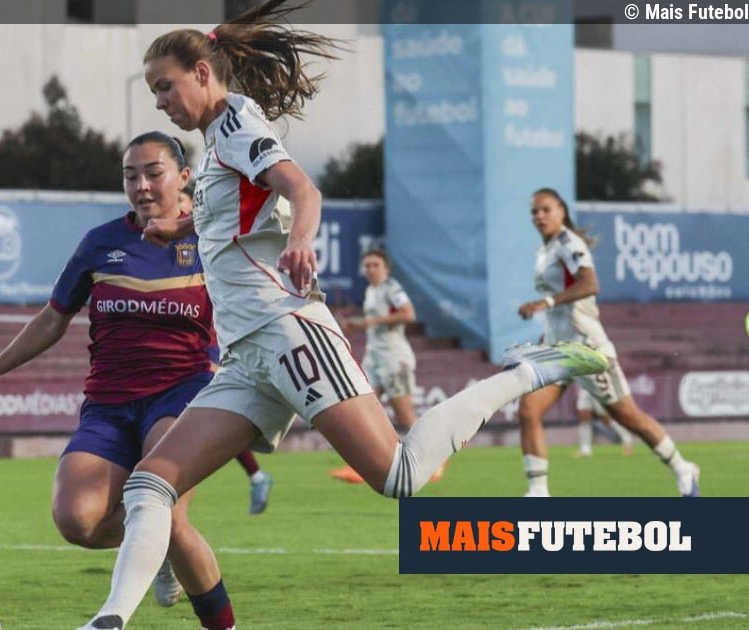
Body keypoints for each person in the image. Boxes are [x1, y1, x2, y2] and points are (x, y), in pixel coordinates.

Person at [77, 4, 608, 628]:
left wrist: (302, 241)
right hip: (247, 356)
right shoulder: (218, 138)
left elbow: (303, 189)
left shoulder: (238, 123)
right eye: (153, 92)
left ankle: (527, 373)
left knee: (400, 475)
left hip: (287, 332)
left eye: (165, 86)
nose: (160, 101)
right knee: (150, 484)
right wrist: (182, 227)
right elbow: (237, 215)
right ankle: (110, 619)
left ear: (200, 72)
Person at [0, 131, 239, 628]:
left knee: (167, 514)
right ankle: (154, 549)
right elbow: (53, 318)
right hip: (109, 404)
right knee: (76, 520)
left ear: (183, 177)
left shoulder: (210, 241)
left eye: (153, 173)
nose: (141, 185)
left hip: (183, 393)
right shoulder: (101, 243)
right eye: (130, 176)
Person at [515, 187, 701, 498]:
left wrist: (544, 302)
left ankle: (683, 467)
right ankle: (538, 493)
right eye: (534, 211)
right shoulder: (545, 250)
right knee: (528, 409)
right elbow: (561, 309)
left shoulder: (568, 243)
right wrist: (546, 335)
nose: (539, 216)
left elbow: (590, 284)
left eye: (546, 209)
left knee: (627, 416)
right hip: (558, 348)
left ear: (562, 211)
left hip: (586, 349)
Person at [182, 184, 275, 515]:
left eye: (185, 203)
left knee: (202, 420)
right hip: (183, 351)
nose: (181, 212)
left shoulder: (210, 246)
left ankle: (257, 475)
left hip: (208, 349)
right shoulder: (163, 247)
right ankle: (257, 475)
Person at [332, 250, 443, 485]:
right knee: (361, 411)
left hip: (394, 358)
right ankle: (359, 466)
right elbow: (376, 322)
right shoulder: (372, 291)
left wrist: (374, 321)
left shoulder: (392, 288)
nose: (371, 269)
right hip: (375, 358)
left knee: (405, 415)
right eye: (367, 265)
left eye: (376, 265)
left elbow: (408, 314)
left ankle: (436, 456)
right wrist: (358, 324)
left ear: (386, 268)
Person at [574, 389, 635, 458]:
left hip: (596, 388)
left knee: (606, 418)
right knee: (584, 418)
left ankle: (627, 440)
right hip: (584, 389)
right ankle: (585, 450)